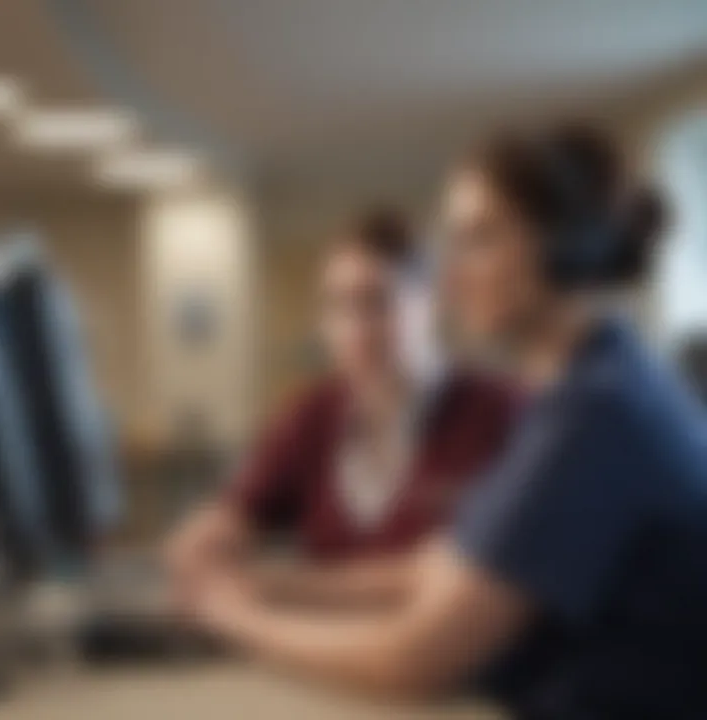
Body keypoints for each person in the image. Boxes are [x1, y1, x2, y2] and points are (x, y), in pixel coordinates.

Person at [187, 125, 707, 719]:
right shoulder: (587, 387)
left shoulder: (596, 416)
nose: (453, 276)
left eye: (480, 239)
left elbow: (413, 660)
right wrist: (266, 586)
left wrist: (231, 616)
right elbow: (438, 569)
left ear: (565, 243)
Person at [166, 210, 516, 612]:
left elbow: (455, 579)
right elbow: (231, 515)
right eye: (339, 305)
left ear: (430, 302)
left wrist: (275, 587)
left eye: (378, 302)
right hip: (328, 662)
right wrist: (205, 545)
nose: (357, 329)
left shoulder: (500, 413)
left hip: (456, 665)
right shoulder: (310, 419)